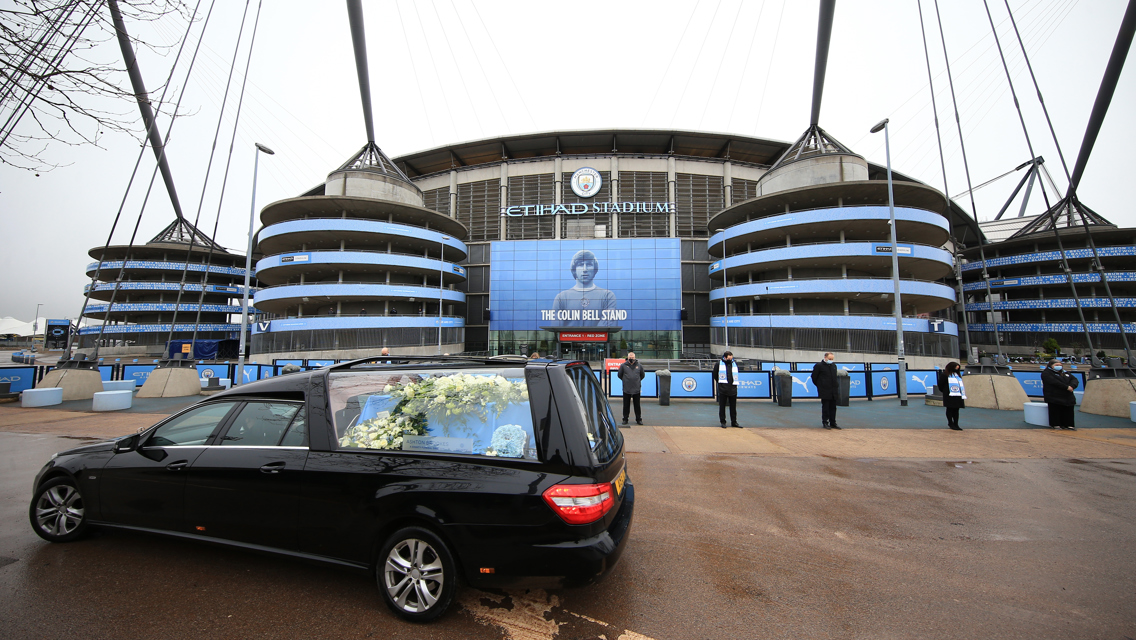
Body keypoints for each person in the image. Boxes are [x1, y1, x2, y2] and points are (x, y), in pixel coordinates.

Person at [552, 249, 617, 327]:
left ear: (595, 269)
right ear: (574, 270)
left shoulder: (607, 296)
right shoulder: (561, 297)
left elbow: (608, 325)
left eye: (589, 264)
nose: (585, 269)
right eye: (580, 265)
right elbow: (557, 328)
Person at [1042, 359, 1078, 430]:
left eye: (1060, 365)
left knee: (1069, 410)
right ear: (1051, 366)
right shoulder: (1046, 373)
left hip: (1068, 396)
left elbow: (1074, 379)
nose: (1059, 367)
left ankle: (1069, 425)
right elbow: (1054, 382)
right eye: (1056, 365)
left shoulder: (1065, 373)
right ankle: (1056, 424)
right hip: (1054, 395)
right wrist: (1066, 387)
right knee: (1055, 410)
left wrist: (1072, 386)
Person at [811, 352, 840, 429]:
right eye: (830, 359)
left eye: (832, 359)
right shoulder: (819, 366)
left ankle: (833, 422)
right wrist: (820, 385)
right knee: (826, 407)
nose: (831, 360)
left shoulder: (834, 366)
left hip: (834, 390)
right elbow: (814, 377)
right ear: (825, 357)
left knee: (833, 407)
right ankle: (825, 422)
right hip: (825, 390)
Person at [936, 361, 966, 431]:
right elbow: (940, 385)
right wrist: (945, 391)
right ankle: (950, 423)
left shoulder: (957, 375)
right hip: (949, 395)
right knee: (950, 409)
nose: (957, 369)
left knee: (956, 410)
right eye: (956, 367)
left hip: (958, 395)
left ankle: (956, 424)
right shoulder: (944, 375)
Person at [617, 351, 645, 426]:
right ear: (627, 358)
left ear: (635, 358)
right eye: (630, 358)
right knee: (626, 405)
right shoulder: (623, 365)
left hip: (636, 389)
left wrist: (636, 381)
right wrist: (626, 381)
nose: (631, 359)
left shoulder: (639, 366)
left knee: (637, 405)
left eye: (632, 358)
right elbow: (620, 375)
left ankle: (638, 419)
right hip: (627, 389)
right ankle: (625, 419)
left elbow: (642, 375)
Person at [714, 351, 740, 428]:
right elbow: (715, 374)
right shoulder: (718, 364)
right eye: (729, 358)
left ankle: (734, 422)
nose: (730, 359)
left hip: (733, 388)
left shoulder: (734, 364)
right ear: (725, 357)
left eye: (731, 357)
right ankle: (723, 421)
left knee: (733, 407)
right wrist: (720, 383)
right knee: (722, 406)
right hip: (723, 389)